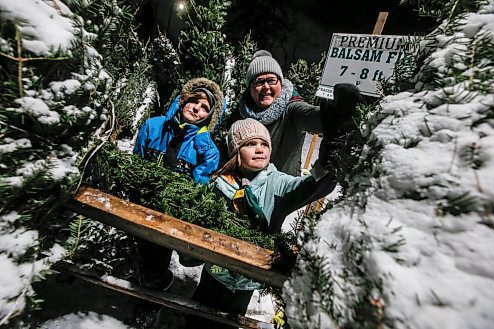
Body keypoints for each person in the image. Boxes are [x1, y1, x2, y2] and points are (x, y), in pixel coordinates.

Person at [185, 118, 337, 329]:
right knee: (196, 315)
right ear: (235, 151)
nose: (259, 149)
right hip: (215, 271)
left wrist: (333, 151)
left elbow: (312, 186)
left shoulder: (278, 183)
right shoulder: (219, 184)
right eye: (250, 144)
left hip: (248, 276)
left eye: (264, 144)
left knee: (226, 322)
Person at [132, 77, 225, 290]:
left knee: (157, 252)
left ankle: (155, 285)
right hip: (143, 200)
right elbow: (136, 161)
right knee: (140, 245)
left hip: (171, 212)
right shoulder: (153, 126)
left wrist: (204, 148)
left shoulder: (207, 149)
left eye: (204, 108)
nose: (196, 109)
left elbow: (198, 185)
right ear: (183, 100)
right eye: (194, 101)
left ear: (209, 117)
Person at [225, 49, 362, 176]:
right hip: (243, 186)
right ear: (250, 87)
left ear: (281, 83)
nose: (266, 87)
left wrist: (335, 113)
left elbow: (311, 116)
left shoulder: (292, 108)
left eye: (271, 80)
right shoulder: (241, 113)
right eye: (259, 81)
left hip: (282, 189)